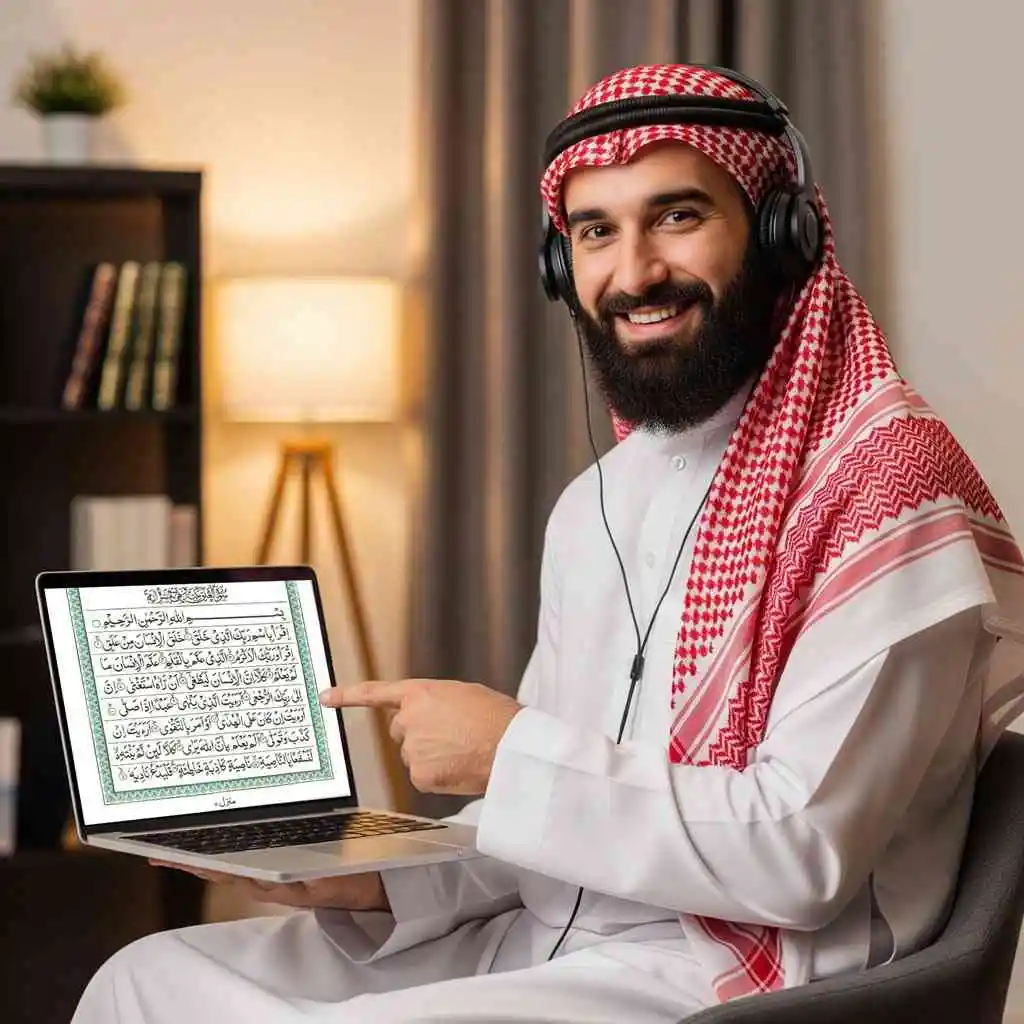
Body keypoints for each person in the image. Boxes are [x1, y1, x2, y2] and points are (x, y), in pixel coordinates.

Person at [71, 63, 1024, 1024]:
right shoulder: (594, 505)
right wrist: (374, 881)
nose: (634, 273)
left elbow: (800, 853)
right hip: (550, 943)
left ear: (783, 235)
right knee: (144, 978)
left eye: (677, 216)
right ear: (560, 264)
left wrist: (508, 751)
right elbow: (544, 829)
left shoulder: (886, 488)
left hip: (735, 981)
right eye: (596, 232)